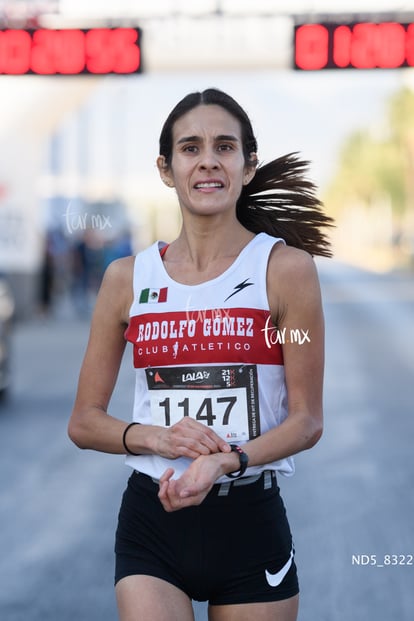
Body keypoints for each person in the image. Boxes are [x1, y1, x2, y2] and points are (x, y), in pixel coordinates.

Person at [68, 88, 333, 621]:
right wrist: (157, 438)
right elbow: (83, 422)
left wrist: (225, 461)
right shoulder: (125, 279)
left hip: (248, 520)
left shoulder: (287, 272)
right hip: (152, 519)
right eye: (190, 148)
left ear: (248, 165)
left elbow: (306, 420)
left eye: (225, 147)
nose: (208, 160)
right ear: (167, 169)